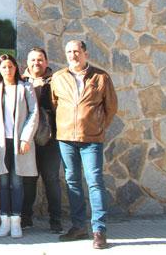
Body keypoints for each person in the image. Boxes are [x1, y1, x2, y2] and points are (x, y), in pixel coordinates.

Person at [51, 40, 117, 250]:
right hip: (66, 139)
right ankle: (78, 227)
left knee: (95, 182)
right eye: (69, 52)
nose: (73, 55)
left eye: (77, 51)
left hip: (92, 140)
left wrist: (96, 127)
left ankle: (99, 231)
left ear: (85, 53)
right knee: (72, 182)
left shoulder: (101, 77)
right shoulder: (58, 77)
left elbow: (111, 107)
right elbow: (55, 105)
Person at [0, 54, 38, 239]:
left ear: (16, 68)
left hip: (19, 143)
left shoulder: (25, 88)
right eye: (3, 67)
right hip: (0, 143)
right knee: (4, 183)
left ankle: (17, 222)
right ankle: (4, 221)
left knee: (17, 183)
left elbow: (34, 113)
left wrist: (25, 138)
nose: (7, 70)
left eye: (10, 66)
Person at [21, 47, 62, 233]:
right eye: (32, 60)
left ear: (46, 62)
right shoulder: (20, 81)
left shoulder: (57, 81)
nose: (36, 63)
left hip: (51, 139)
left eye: (40, 60)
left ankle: (56, 220)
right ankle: (25, 217)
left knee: (51, 179)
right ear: (27, 62)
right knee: (28, 181)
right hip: (27, 140)